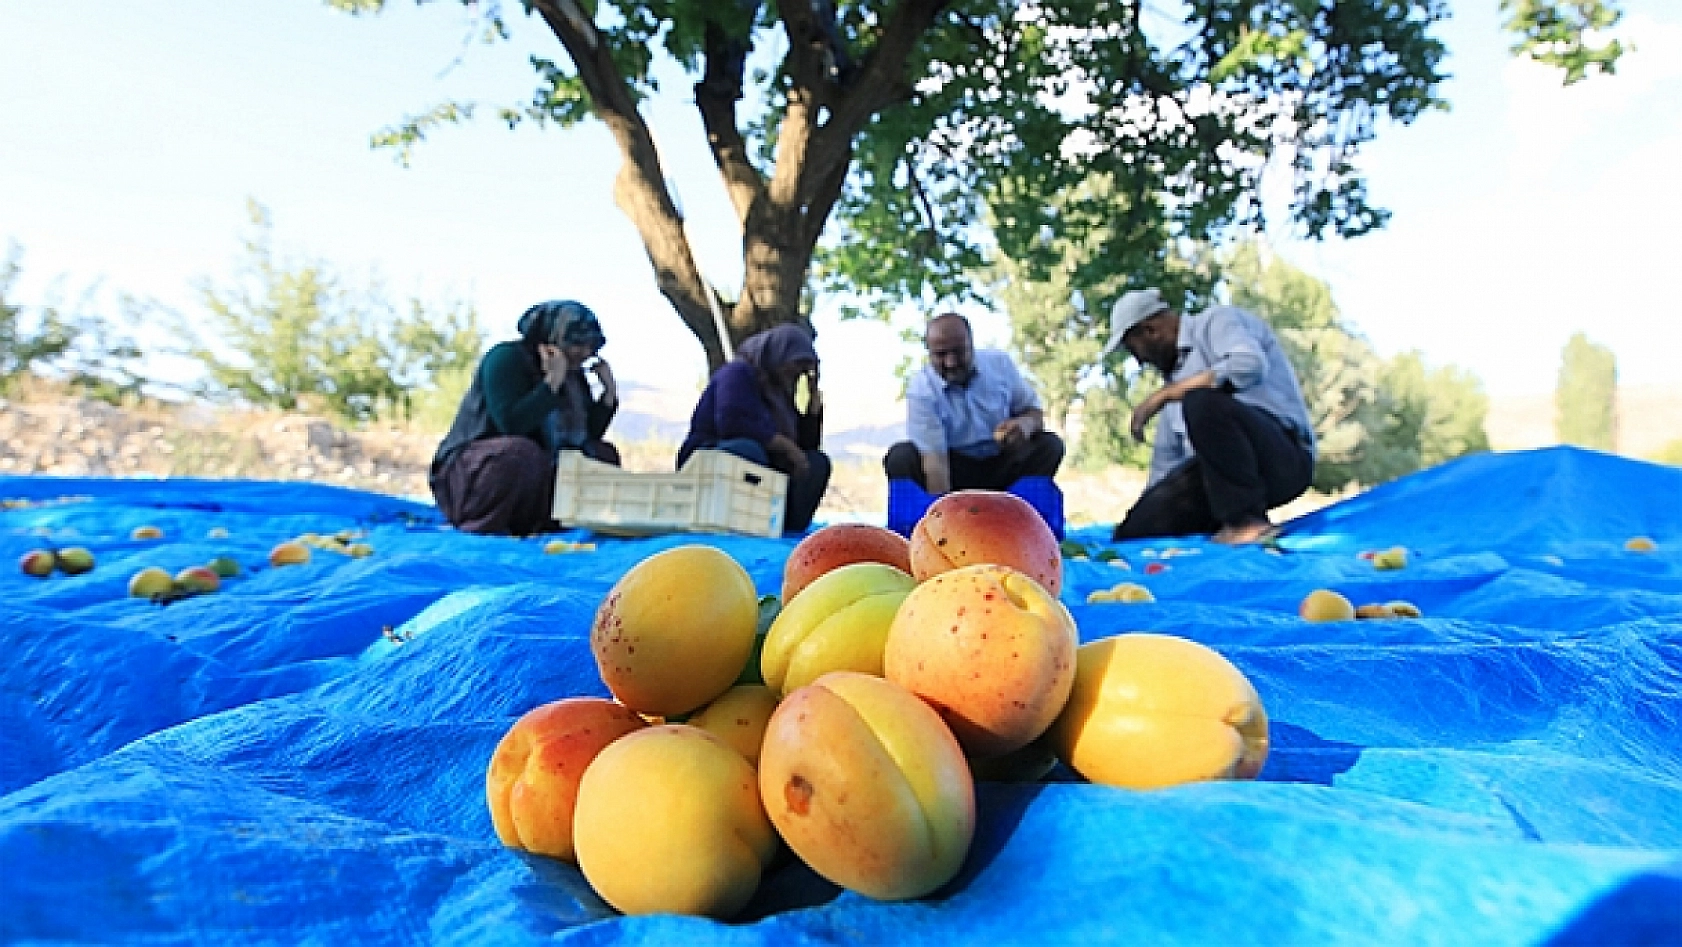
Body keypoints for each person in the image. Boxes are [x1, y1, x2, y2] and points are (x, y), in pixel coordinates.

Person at [1104, 287, 1316, 545]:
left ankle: (1246, 522)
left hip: (1283, 459)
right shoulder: (1175, 384)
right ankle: (1221, 520)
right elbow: (1165, 466)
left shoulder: (1216, 322)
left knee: (1201, 400)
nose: (1139, 361)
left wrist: (1166, 395)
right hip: (1217, 479)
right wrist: (1151, 506)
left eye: (1134, 350)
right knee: (1135, 532)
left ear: (1150, 331)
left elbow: (1249, 365)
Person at [429, 300, 620, 536]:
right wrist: (551, 385)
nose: (584, 353)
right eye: (576, 344)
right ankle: (484, 525)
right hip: (472, 473)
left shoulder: (573, 376)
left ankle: (553, 522)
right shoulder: (506, 359)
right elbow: (511, 424)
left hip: (536, 472)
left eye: (590, 346)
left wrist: (608, 396)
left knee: (602, 455)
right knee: (520, 452)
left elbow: (584, 438)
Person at [883, 312, 1064, 495]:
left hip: (1002, 462)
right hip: (952, 468)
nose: (951, 362)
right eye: (941, 355)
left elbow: (1034, 413)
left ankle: (1026, 511)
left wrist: (1023, 425)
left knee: (1049, 445)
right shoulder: (921, 390)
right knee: (901, 456)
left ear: (971, 345)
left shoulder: (1000, 364)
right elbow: (935, 462)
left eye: (958, 352)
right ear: (929, 353)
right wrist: (945, 513)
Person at [678, 323, 831, 534]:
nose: (799, 372)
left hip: (763, 462)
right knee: (748, 450)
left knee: (816, 462)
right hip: (711, 456)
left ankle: (788, 524)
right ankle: (730, 520)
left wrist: (813, 408)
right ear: (778, 355)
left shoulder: (780, 393)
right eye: (797, 364)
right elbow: (733, 423)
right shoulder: (737, 373)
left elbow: (805, 446)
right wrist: (785, 446)